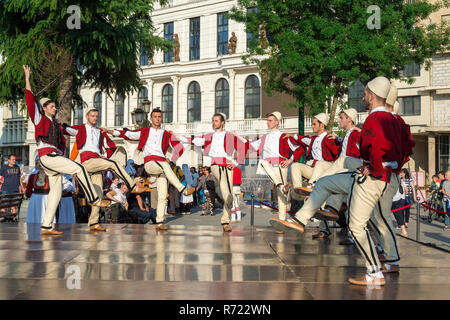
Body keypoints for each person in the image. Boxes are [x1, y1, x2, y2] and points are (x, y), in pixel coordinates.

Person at [270, 77, 411, 286]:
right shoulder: (398, 121)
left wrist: (371, 166)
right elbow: (407, 148)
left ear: (372, 95)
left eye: (364, 93)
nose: (363, 97)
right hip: (384, 175)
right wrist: (389, 166)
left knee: (357, 226)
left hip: (372, 177)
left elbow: (376, 146)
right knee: (331, 184)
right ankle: (301, 218)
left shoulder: (375, 119)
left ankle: (374, 272)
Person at [23, 65, 110, 236]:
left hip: (52, 158)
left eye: (55, 106)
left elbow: (75, 131)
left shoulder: (56, 124)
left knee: (55, 193)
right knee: (79, 168)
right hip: (48, 156)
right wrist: (27, 79)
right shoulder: (40, 118)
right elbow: (30, 100)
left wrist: (94, 129)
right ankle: (94, 198)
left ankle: (47, 226)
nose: (55, 108)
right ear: (45, 108)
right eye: (52, 106)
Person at [102, 108, 195, 231]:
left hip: (162, 166)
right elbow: (127, 133)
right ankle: (183, 189)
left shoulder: (167, 134)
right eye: (155, 116)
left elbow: (180, 147)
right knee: (165, 166)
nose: (157, 119)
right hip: (150, 163)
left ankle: (159, 221)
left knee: (162, 195)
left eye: (159, 117)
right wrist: (108, 130)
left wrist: (171, 159)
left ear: (162, 118)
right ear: (151, 119)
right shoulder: (145, 131)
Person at [63, 107, 142, 232]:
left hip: (97, 163)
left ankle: (93, 222)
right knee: (114, 163)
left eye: (96, 116)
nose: (95, 118)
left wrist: (104, 157)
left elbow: (112, 146)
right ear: (87, 116)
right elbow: (66, 129)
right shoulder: (81, 129)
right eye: (92, 116)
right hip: (87, 162)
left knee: (98, 195)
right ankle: (131, 184)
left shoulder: (101, 132)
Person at [181, 113, 247, 232]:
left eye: (216, 121)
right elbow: (197, 141)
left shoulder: (229, 135)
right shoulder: (210, 136)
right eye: (213, 121)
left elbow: (243, 146)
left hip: (228, 164)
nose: (214, 123)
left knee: (228, 192)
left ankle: (225, 221)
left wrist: (236, 163)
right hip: (216, 164)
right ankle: (228, 200)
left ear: (222, 122)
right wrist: (182, 138)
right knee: (224, 186)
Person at [249, 111, 299, 228]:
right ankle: (281, 185)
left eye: (270, 120)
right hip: (269, 166)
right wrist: (237, 139)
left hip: (280, 165)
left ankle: (282, 221)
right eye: (267, 120)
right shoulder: (264, 137)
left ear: (277, 122)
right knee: (262, 162)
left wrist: (290, 160)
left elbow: (297, 148)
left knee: (281, 196)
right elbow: (251, 145)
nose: (268, 122)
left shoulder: (283, 135)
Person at [290, 113, 340, 197]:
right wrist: (292, 135)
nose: (312, 126)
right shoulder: (313, 139)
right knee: (295, 166)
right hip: (314, 170)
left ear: (322, 125)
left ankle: (311, 186)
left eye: (314, 124)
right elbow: (302, 139)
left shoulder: (330, 138)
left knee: (320, 163)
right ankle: (299, 191)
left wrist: (338, 139)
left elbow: (339, 150)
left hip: (327, 169)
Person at [25, 157, 50, 224]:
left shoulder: (33, 175)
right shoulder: (49, 174)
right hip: (43, 197)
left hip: (41, 197)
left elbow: (28, 191)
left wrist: (30, 195)